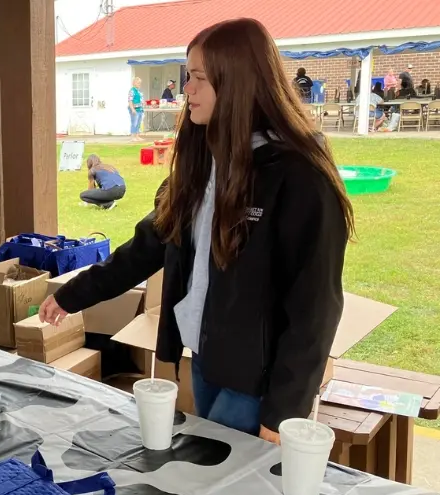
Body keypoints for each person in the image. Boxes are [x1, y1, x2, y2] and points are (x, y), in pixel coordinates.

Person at [38, 18, 353, 444]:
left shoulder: (299, 176)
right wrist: (71, 295)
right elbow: (148, 245)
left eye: (199, 78)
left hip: (257, 379)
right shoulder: (204, 158)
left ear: (238, 82)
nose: (186, 89)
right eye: (188, 77)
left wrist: (282, 412)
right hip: (204, 358)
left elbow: (315, 305)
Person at [128, 77, 145, 142]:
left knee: (138, 123)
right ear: (134, 83)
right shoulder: (132, 90)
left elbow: (140, 99)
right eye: (138, 83)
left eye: (140, 83)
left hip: (140, 109)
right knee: (134, 123)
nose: (139, 84)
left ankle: (137, 136)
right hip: (135, 109)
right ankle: (132, 137)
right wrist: (132, 109)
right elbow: (130, 100)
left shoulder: (138, 90)